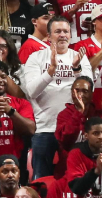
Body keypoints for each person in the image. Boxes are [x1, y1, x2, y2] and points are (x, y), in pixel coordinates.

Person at [24, 16, 92, 179]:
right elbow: (31, 91)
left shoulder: (80, 57)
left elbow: (88, 91)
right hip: (44, 129)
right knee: (41, 179)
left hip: (73, 130)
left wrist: (76, 69)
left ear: (70, 35)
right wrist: (50, 71)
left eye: (65, 31)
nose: (62, 35)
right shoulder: (35, 58)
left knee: (74, 177)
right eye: (58, 31)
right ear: (48, 36)